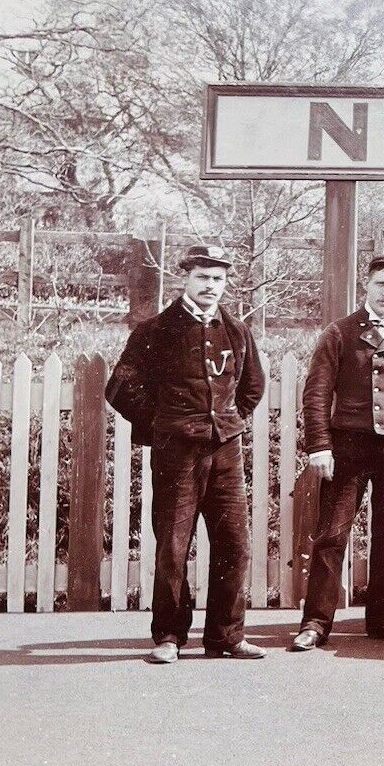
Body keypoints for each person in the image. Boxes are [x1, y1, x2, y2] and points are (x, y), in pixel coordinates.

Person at [105, 244, 266, 664]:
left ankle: (226, 637)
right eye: (202, 277)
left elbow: (252, 388)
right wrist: (163, 423)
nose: (210, 286)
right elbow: (120, 389)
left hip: (226, 450)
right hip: (177, 452)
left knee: (235, 543)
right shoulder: (155, 331)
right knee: (174, 546)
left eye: (217, 279)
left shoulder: (236, 330)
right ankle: (170, 637)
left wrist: (229, 421)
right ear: (186, 279)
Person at [289, 253, 384, 650]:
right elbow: (316, 395)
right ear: (366, 286)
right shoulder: (339, 333)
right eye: (380, 285)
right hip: (349, 446)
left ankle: (382, 620)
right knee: (332, 535)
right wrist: (319, 445)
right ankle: (316, 623)